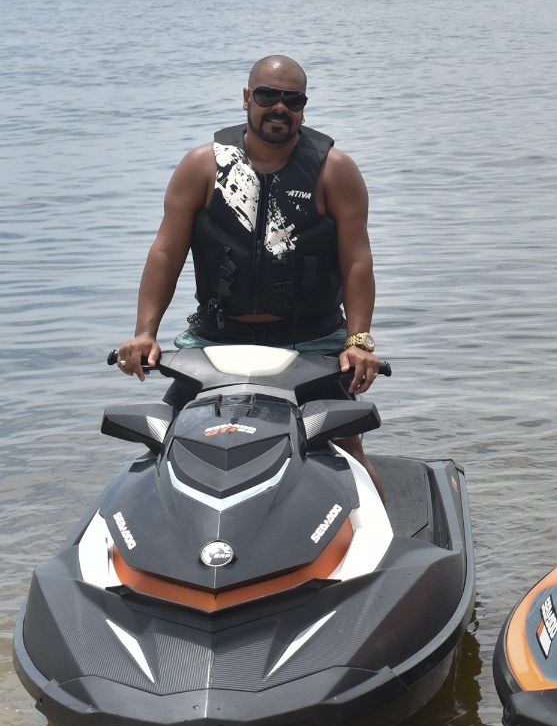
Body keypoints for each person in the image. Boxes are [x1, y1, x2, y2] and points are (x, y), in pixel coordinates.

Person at [113, 55, 382, 479]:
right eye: (268, 95)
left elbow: (357, 261)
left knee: (348, 450)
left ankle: (377, 542)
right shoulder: (202, 166)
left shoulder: (335, 171)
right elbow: (165, 253)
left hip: (310, 340)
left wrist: (359, 343)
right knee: (164, 441)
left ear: (303, 107)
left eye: (292, 100)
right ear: (246, 99)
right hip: (216, 337)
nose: (280, 107)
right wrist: (145, 333)